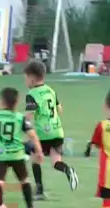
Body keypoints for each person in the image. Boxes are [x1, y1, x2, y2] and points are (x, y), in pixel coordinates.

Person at [0, 87, 44, 208]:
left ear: (1, 101)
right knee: (24, 180)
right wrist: (39, 151)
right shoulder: (20, 118)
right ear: (16, 102)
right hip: (17, 154)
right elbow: (33, 136)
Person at [24, 60, 79, 198]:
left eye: (26, 78)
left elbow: (30, 114)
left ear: (31, 78)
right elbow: (60, 109)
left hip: (43, 133)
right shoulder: (50, 90)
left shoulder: (32, 94)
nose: (25, 81)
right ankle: (68, 170)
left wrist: (22, 123)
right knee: (56, 162)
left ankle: (39, 191)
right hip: (57, 131)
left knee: (35, 159)